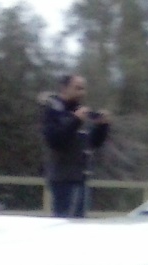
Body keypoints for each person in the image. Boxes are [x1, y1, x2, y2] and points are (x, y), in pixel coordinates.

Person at [39, 74, 111, 218]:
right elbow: (55, 141)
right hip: (63, 179)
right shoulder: (53, 111)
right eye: (77, 88)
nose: (82, 93)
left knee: (78, 227)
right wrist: (75, 120)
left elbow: (93, 143)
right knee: (66, 226)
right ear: (64, 88)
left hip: (81, 179)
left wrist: (102, 127)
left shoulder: (80, 112)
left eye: (83, 89)